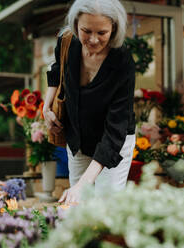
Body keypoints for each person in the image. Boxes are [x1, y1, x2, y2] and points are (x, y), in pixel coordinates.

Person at [43, 0, 135, 205]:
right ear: (76, 25)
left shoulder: (122, 61)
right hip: (78, 138)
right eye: (86, 31)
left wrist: (84, 182)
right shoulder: (68, 41)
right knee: (76, 205)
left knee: (106, 206)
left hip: (112, 139)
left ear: (114, 29)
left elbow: (115, 130)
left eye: (102, 33)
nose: (93, 40)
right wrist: (46, 106)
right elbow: (57, 69)